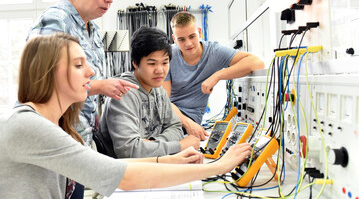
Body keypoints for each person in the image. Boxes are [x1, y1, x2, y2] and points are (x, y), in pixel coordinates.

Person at [0, 33, 252, 198]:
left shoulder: (58, 126)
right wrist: (219, 167)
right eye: (79, 65)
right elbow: (125, 174)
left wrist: (170, 161)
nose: (91, 71)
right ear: (48, 73)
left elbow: (116, 167)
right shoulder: (27, 126)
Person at [27, 0, 138, 147]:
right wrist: (100, 86)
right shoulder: (56, 20)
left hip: (82, 135)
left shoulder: (92, 28)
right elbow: (43, 81)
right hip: (55, 136)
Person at [96, 26, 200, 158]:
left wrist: (152, 144)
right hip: (124, 173)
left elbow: (175, 127)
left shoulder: (158, 89)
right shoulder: (123, 93)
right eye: (152, 64)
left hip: (152, 165)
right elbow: (129, 151)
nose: (160, 70)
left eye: (165, 62)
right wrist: (180, 145)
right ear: (135, 63)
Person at [163, 11, 265, 141]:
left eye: (192, 36)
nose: (188, 43)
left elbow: (257, 63)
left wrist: (217, 75)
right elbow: (164, 102)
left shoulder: (214, 52)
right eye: (181, 39)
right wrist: (187, 124)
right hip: (170, 114)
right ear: (174, 38)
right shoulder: (168, 56)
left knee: (166, 140)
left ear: (199, 32)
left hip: (191, 118)